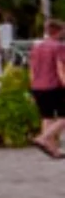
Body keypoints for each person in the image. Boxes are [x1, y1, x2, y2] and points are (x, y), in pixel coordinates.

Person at [32, 21, 65, 158]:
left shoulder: (37, 47)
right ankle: (43, 138)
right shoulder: (59, 47)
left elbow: (32, 69)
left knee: (47, 117)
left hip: (37, 86)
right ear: (59, 31)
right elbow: (60, 69)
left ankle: (52, 150)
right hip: (53, 86)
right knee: (63, 117)